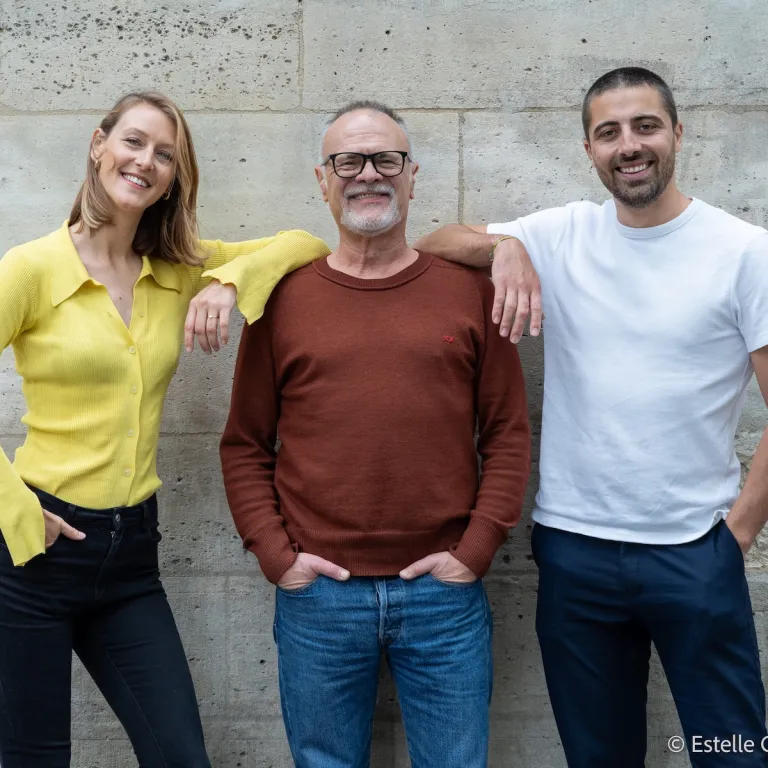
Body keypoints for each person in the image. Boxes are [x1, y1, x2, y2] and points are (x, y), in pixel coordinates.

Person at [415, 67, 768, 767]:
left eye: (644, 126)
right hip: (576, 554)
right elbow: (432, 245)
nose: (628, 145)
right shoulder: (561, 233)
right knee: (598, 757)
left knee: (733, 753)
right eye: (609, 132)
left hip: (695, 551)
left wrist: (736, 537)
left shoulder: (745, 252)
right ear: (588, 148)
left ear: (676, 133)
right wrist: (506, 247)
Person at [0, 90, 329, 767]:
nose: (145, 161)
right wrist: (14, 508)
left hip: (130, 556)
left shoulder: (176, 271)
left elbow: (306, 244)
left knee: (179, 754)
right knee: (35, 758)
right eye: (133, 142)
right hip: (35, 553)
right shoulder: (30, 269)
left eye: (165, 155)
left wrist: (229, 283)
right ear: (99, 144)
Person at [219, 100, 531, 768]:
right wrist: (279, 558)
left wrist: (474, 552)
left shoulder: (469, 293)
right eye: (349, 161)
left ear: (411, 175)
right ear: (323, 178)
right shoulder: (282, 300)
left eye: (385, 159)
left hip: (445, 596)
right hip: (320, 599)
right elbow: (244, 443)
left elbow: (507, 434)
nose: (368, 174)